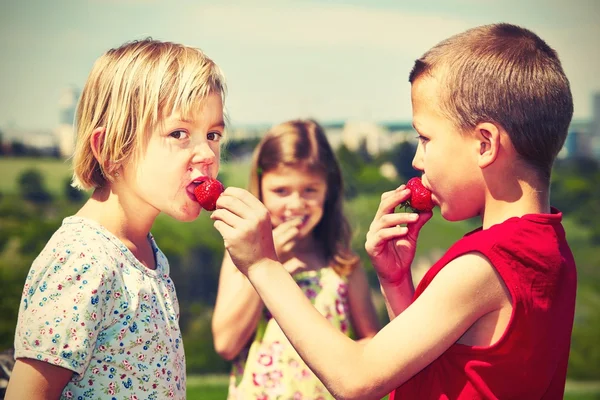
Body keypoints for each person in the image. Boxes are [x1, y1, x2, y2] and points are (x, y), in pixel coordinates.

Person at [210, 23, 577, 400]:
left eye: (425, 137)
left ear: (485, 143)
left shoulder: (485, 265)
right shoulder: (548, 249)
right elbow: (426, 365)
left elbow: (357, 379)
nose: (418, 159)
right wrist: (396, 281)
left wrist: (262, 266)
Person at [5, 38, 226, 400]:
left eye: (213, 134)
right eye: (179, 134)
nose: (206, 154)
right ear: (111, 148)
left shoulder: (148, 256)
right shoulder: (80, 261)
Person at [212, 119, 381, 399]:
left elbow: (371, 344)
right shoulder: (239, 254)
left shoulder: (341, 264)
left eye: (310, 191)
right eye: (281, 191)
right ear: (261, 187)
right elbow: (226, 343)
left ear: (328, 191)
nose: (295, 204)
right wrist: (265, 262)